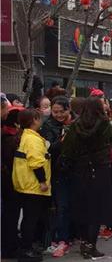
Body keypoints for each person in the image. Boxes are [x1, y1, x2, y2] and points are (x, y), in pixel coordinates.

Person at [60, 97, 112, 259]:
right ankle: (91, 245)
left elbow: (67, 150)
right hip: (100, 170)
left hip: (79, 171)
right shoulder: (104, 125)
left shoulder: (75, 126)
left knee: (83, 207)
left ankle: (84, 243)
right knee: (96, 209)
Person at [12, 109, 49, 262]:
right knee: (30, 219)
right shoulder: (32, 139)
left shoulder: (26, 136)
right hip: (33, 185)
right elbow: (36, 163)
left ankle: (27, 247)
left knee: (29, 218)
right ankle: (26, 249)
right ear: (34, 119)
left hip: (24, 184)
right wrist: (42, 182)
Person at [39, 96, 74, 258]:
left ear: (69, 110)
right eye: (55, 112)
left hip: (75, 170)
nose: (59, 115)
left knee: (71, 205)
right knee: (61, 206)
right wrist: (62, 140)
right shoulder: (47, 125)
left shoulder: (75, 122)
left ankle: (70, 236)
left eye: (62, 111)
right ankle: (61, 239)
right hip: (57, 171)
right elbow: (49, 149)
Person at [1, 103, 24, 259]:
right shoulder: (12, 140)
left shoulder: (6, 136)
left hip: (8, 182)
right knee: (10, 215)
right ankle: (9, 246)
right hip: (10, 183)